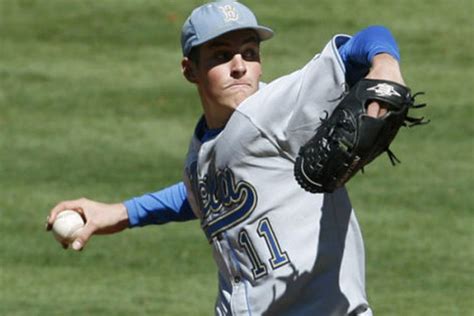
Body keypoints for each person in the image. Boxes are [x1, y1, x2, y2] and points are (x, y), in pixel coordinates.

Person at [46, 1, 407, 315]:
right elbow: (204, 190)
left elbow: (366, 39)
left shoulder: (274, 110)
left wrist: (386, 64)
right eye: (222, 56)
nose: (240, 66)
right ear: (190, 70)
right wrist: (121, 214)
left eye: (250, 53)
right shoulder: (203, 142)